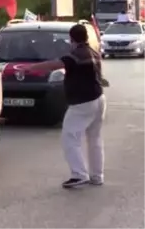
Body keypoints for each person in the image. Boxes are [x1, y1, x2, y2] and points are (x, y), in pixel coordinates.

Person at [17, 24, 107, 188]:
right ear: (86, 37)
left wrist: (30, 68)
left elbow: (54, 64)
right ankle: (97, 175)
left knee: (69, 137)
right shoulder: (93, 52)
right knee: (94, 139)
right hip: (99, 98)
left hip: (83, 102)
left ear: (71, 39)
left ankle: (79, 174)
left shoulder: (75, 55)